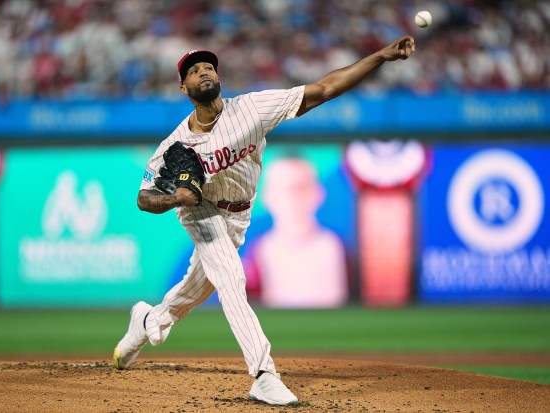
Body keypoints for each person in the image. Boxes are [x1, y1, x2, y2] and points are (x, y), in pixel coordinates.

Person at [113, 35, 416, 406]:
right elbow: (143, 198)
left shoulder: (252, 108)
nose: (203, 72)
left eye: (208, 66)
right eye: (194, 71)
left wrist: (381, 57)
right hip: (200, 210)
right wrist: (178, 197)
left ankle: (147, 322)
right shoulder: (176, 145)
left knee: (193, 293)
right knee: (231, 278)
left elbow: (323, 89)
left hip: (239, 215)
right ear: (183, 87)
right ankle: (263, 374)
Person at [243, 157, 348, 308]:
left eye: (300, 187)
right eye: (281, 189)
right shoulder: (260, 250)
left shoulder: (332, 246)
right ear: (267, 196)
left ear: (317, 193)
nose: (291, 197)